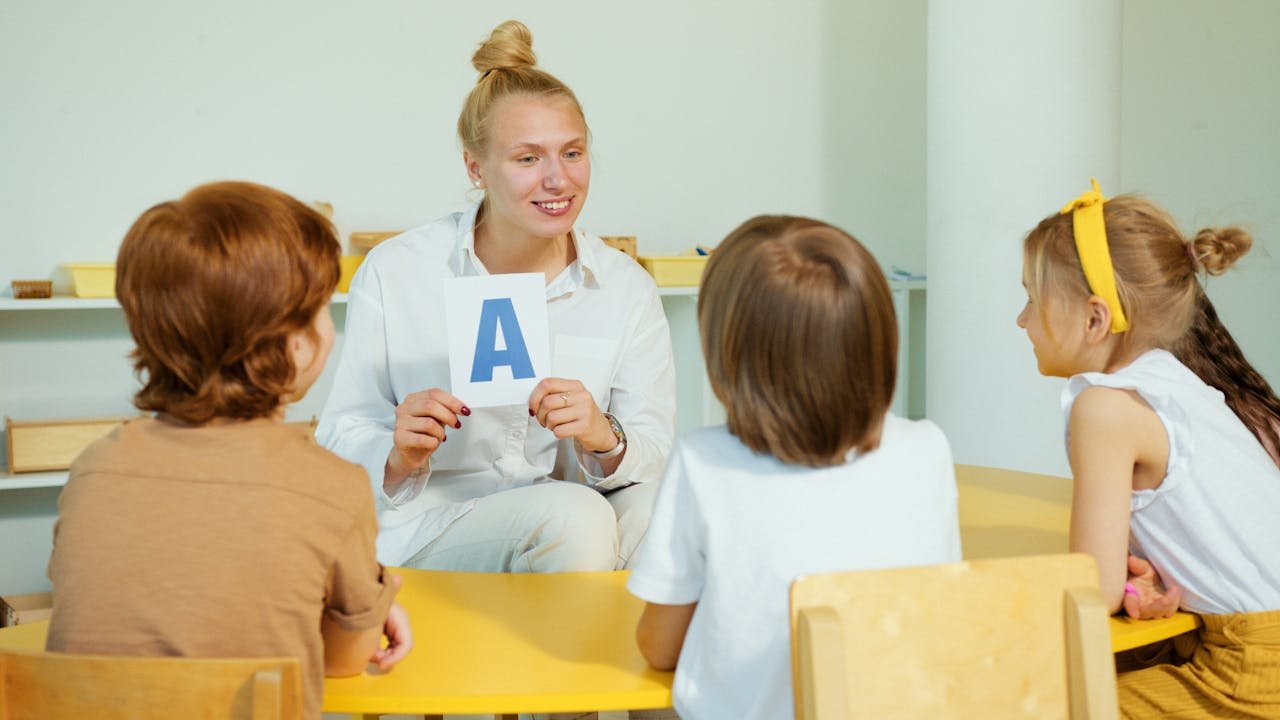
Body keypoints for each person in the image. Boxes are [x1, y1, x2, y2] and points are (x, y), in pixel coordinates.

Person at [317, 20, 675, 573]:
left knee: (666, 508)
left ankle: (618, 655)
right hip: (437, 522)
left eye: (573, 153)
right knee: (572, 514)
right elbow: (342, 430)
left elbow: (651, 445)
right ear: (476, 167)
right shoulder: (398, 270)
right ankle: (560, 659)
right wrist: (399, 447)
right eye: (528, 158)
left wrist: (604, 436)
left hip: (576, 518)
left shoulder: (625, 286)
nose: (559, 180)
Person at [46, 181, 411, 720]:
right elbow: (345, 659)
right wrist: (372, 606)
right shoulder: (331, 485)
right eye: (320, 309)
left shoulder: (93, 469)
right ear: (296, 343)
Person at [626, 215, 961, 720]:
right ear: (877, 340)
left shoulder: (703, 462)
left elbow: (660, 648)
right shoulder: (927, 447)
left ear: (726, 354)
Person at [1016, 180, 1280, 718]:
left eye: (1031, 298)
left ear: (1094, 318)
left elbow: (1092, 589)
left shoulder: (1105, 409)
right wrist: (1149, 578)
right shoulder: (1182, 386)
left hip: (1250, 671)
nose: (1021, 320)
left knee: (1025, 701)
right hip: (1251, 649)